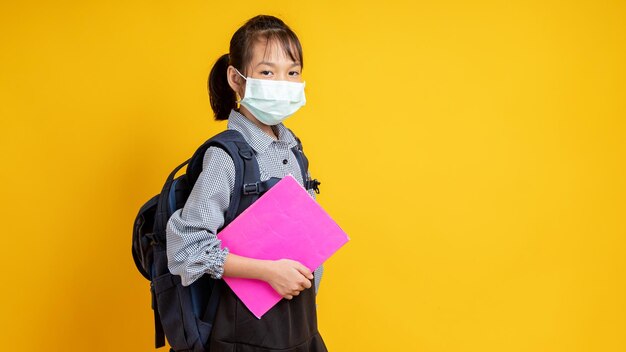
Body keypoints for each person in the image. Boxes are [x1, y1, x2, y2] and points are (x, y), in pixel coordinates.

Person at [165, 15, 328, 351]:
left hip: (298, 328)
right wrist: (269, 273)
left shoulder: (295, 152)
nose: (282, 82)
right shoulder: (226, 157)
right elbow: (186, 247)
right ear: (236, 80)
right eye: (267, 72)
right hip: (244, 337)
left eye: (292, 72)